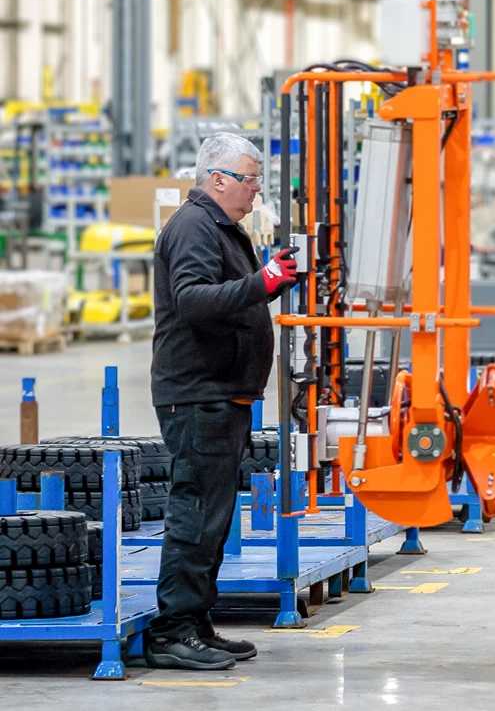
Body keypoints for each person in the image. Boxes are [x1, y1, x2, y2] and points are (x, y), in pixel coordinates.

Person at [146, 133, 298, 671]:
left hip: (221, 393)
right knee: (195, 514)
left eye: (258, 179)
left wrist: (266, 281)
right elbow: (192, 301)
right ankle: (171, 632)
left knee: (212, 516)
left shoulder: (222, 229)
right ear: (217, 180)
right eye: (249, 178)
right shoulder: (192, 228)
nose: (257, 190)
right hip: (198, 394)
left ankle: (196, 624)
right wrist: (264, 282)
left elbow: (233, 293)